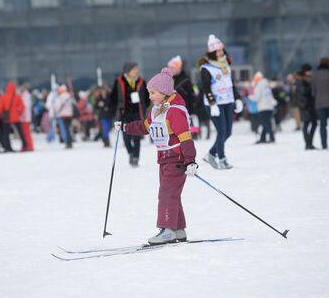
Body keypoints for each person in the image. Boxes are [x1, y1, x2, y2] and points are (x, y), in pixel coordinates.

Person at [114, 68, 197, 245]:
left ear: (164, 92)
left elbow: (185, 137)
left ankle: (167, 230)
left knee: (166, 195)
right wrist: (125, 127)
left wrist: (190, 161)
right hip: (164, 159)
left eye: (152, 92)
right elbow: (144, 127)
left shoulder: (175, 111)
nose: (150, 96)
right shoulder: (157, 110)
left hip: (177, 160)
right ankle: (178, 229)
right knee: (172, 194)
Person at [198, 34, 243, 169]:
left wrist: (238, 98)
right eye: (217, 51)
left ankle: (211, 154)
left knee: (228, 132)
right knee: (221, 131)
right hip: (215, 104)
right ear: (211, 52)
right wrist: (212, 104)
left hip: (228, 101)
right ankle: (222, 158)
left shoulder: (226, 65)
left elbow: (230, 84)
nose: (220, 52)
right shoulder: (206, 68)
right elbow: (205, 87)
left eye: (221, 50)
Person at [110, 62, 150, 167]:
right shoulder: (119, 81)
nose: (136, 71)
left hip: (138, 112)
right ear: (128, 71)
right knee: (126, 136)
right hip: (124, 113)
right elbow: (113, 97)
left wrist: (145, 108)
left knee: (137, 135)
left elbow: (146, 97)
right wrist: (116, 110)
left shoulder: (141, 81)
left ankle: (136, 157)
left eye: (136, 69)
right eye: (134, 69)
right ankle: (130, 153)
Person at [0, 81, 26, 152]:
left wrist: (1, 115)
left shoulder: (3, 97)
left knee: (6, 134)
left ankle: (7, 147)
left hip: (7, 118)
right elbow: (22, 107)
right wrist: (18, 114)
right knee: (20, 132)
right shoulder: (17, 97)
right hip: (16, 118)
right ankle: (24, 145)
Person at [249, 72, 277, 144]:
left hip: (262, 107)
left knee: (265, 123)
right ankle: (263, 138)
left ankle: (271, 137)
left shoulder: (258, 86)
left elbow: (256, 98)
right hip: (269, 107)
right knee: (267, 122)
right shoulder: (266, 85)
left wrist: (250, 97)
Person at [296, 64, 318, 150]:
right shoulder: (301, 80)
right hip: (305, 105)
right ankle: (308, 143)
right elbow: (303, 92)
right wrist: (311, 86)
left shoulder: (307, 79)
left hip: (310, 105)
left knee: (314, 123)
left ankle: (309, 143)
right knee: (306, 124)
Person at [19, 83, 34, 151]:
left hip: (25, 118)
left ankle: (29, 146)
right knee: (25, 133)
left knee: (26, 133)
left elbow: (25, 107)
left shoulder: (25, 96)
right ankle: (26, 145)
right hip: (25, 117)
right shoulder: (25, 96)